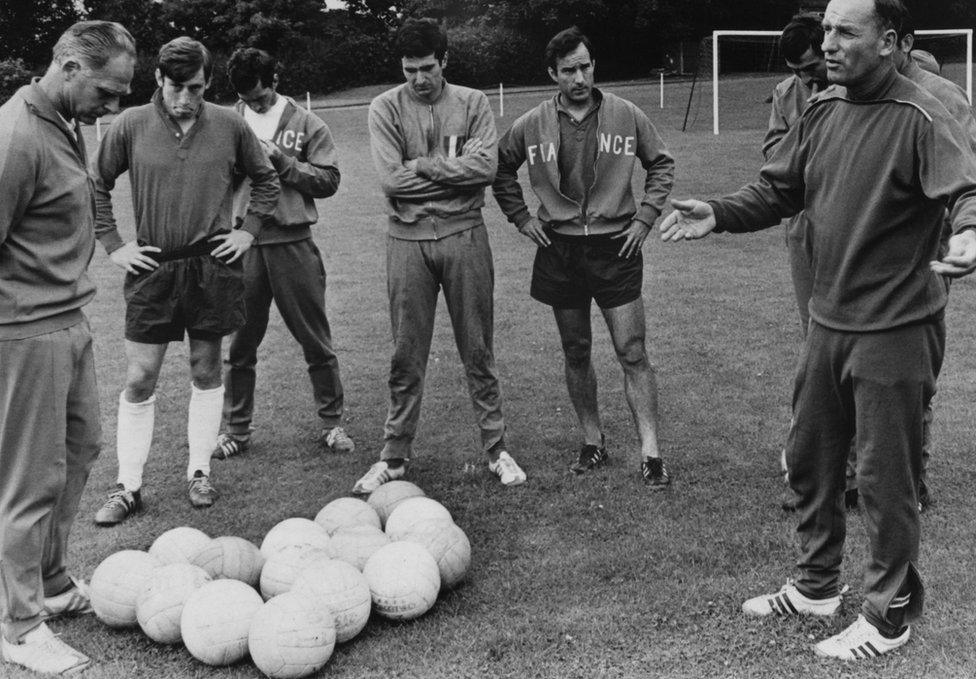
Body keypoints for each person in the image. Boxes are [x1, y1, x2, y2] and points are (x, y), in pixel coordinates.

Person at [660, 0, 976, 660]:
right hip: (828, 322)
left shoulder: (924, 113)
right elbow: (780, 190)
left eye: (844, 32)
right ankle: (814, 585)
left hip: (895, 327)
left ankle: (889, 617)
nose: (827, 43)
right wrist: (716, 212)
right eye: (827, 30)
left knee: (886, 482)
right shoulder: (824, 109)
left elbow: (965, 190)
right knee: (810, 460)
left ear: (888, 41)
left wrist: (970, 231)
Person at [92, 37, 280, 526]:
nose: (184, 98)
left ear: (208, 82)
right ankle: (128, 485)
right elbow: (97, 183)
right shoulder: (130, 124)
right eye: (176, 86)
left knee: (205, 368)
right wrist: (114, 244)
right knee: (140, 376)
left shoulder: (230, 124)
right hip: (152, 267)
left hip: (211, 265)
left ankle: (199, 471)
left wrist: (248, 233)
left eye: (195, 87)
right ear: (158, 79)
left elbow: (267, 180)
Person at [0, 21, 135, 674]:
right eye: (107, 92)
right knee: (28, 479)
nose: (111, 108)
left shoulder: (66, 123)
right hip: (24, 331)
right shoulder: (17, 134)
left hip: (69, 318)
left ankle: (51, 583)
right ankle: (19, 625)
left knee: (81, 448)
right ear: (70, 66)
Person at [493, 27, 675, 486]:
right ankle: (593, 442)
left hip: (617, 245)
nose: (580, 77)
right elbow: (499, 169)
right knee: (576, 349)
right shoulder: (532, 122)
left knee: (632, 350)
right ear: (553, 73)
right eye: (569, 69)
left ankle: (651, 454)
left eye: (586, 66)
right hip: (560, 248)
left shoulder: (625, 113)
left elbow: (662, 163)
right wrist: (521, 218)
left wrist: (644, 218)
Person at [354, 18, 525, 494]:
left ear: (444, 61)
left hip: (464, 236)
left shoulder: (472, 102)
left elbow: (485, 168)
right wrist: (452, 173)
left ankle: (496, 449)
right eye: (409, 70)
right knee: (406, 354)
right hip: (406, 241)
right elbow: (391, 180)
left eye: (427, 68)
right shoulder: (384, 107)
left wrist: (423, 165)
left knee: (478, 348)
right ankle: (393, 455)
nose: (418, 79)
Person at [215, 47, 353, 461]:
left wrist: (283, 162)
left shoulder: (307, 123)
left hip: (292, 242)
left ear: (275, 78)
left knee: (315, 339)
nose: (254, 105)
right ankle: (237, 430)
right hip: (243, 244)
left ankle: (331, 424)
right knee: (239, 344)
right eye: (247, 99)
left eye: (259, 97)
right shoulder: (227, 122)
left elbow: (329, 180)